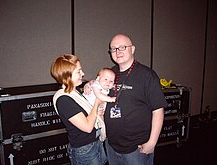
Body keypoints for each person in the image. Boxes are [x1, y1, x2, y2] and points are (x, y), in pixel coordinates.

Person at [84, 34, 168, 165]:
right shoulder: (110, 73)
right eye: (114, 49)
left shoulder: (147, 75)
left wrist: (152, 142)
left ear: (132, 49)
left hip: (137, 148)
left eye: (122, 47)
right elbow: (96, 85)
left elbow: (158, 110)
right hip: (111, 144)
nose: (118, 51)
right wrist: (88, 85)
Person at [51, 54, 107, 165]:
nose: (83, 73)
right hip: (84, 149)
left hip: (94, 143)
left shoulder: (75, 92)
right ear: (67, 75)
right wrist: (97, 102)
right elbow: (87, 127)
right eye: (78, 71)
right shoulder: (63, 99)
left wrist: (89, 86)